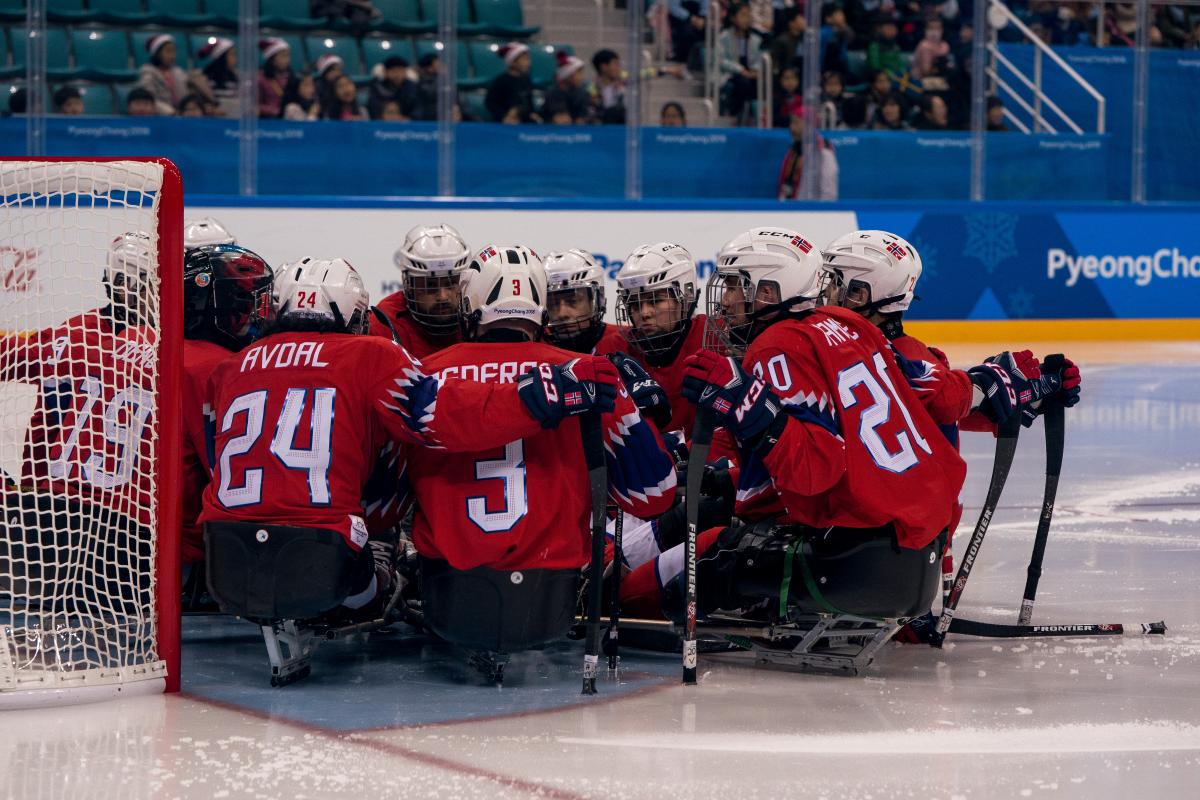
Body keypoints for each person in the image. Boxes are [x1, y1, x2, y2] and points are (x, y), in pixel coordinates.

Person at [202, 257, 620, 617]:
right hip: (321, 557)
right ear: (352, 313)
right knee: (385, 541)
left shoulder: (232, 366)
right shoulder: (369, 355)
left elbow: (212, 459)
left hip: (224, 556)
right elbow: (446, 418)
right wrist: (536, 396)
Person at [620, 226, 969, 624]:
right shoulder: (847, 324)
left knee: (708, 552)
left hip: (847, 563)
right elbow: (940, 395)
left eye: (735, 285)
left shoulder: (777, 345)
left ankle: (604, 596)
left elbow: (815, 470)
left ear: (768, 292)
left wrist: (748, 408)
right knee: (717, 504)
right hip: (912, 551)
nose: (726, 300)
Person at [819, 229, 1082, 640]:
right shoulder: (884, 352)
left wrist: (1027, 396)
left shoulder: (902, 355)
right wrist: (1010, 393)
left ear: (866, 291)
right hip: (884, 530)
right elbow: (938, 406)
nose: (827, 293)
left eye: (838, 283)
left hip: (879, 530)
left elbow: (936, 413)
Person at [405, 244, 674, 607]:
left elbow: (382, 506)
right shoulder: (587, 372)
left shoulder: (423, 373)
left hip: (450, 598)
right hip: (552, 600)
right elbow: (655, 494)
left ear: (471, 303)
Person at [180, 245, 275, 567]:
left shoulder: (138, 340)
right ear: (217, 308)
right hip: (179, 553)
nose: (256, 315)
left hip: (91, 524)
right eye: (247, 305)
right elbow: (233, 480)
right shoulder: (221, 369)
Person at [614, 242, 709, 437]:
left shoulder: (716, 338)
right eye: (634, 304)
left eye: (655, 301)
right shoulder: (616, 349)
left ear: (686, 295)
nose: (644, 313)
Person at [368, 224, 469, 357]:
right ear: (409, 286)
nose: (443, 296)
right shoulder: (386, 323)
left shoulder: (481, 315)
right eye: (430, 286)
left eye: (451, 284)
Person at [138, 34, 211, 116]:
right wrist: (171, 112)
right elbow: (150, 99)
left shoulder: (178, 72)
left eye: (173, 51)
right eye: (168, 51)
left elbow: (187, 96)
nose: (172, 55)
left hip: (181, 114)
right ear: (157, 54)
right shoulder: (148, 71)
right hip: (161, 116)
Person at [717, 2, 764, 123]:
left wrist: (755, 70)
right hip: (731, 74)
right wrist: (741, 70)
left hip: (750, 74)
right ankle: (739, 115)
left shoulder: (755, 39)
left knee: (763, 82)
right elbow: (721, 60)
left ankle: (757, 116)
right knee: (743, 83)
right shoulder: (723, 37)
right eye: (743, 15)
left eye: (748, 16)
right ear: (733, 18)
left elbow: (758, 59)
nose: (746, 19)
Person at [778, 110, 839, 200]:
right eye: (791, 123)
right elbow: (785, 185)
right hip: (790, 209)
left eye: (796, 123)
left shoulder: (823, 152)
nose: (792, 128)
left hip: (812, 210)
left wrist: (823, 212)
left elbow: (829, 192)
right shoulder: (794, 150)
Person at [485, 43, 536, 123]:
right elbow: (491, 103)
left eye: (528, 59)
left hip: (524, 122)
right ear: (513, 62)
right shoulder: (501, 81)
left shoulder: (526, 80)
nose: (528, 63)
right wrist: (503, 116)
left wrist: (530, 113)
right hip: (505, 122)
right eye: (524, 59)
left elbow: (529, 102)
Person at [541, 51, 590, 123]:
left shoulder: (582, 94)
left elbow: (584, 115)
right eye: (579, 73)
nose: (582, 78)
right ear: (567, 75)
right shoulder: (551, 95)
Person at [199, 37, 239, 116]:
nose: (235, 59)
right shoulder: (206, 79)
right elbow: (200, 103)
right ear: (222, 57)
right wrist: (212, 110)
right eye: (232, 55)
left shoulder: (235, 79)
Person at [367, 56, 416, 120]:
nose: (398, 75)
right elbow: (374, 109)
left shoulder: (412, 87)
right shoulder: (377, 87)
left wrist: (409, 118)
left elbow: (417, 109)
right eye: (394, 71)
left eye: (401, 71)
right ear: (385, 72)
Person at [258, 38, 293, 118]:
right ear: (272, 59)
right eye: (284, 56)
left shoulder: (291, 77)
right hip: (267, 123)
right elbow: (255, 106)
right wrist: (277, 111)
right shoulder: (260, 78)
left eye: (288, 56)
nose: (288, 60)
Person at [589, 49, 626, 124]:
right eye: (616, 64)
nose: (619, 68)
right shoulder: (591, 88)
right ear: (604, 67)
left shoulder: (622, 86)